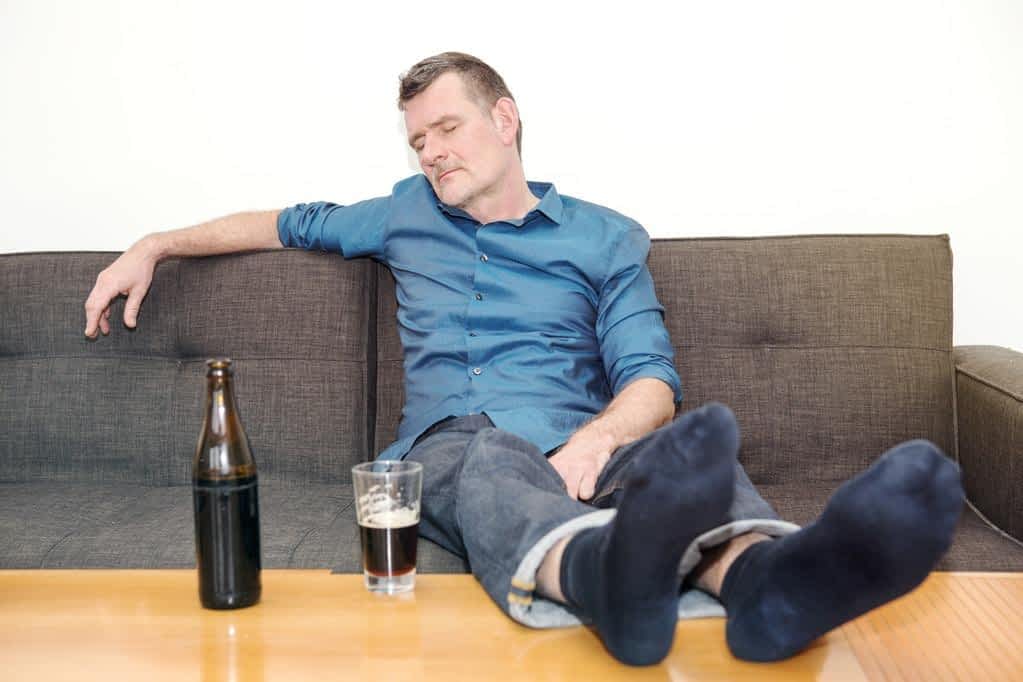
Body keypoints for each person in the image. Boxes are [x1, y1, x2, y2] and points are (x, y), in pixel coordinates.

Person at [84, 51, 964, 666]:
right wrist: (155, 243)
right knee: (490, 454)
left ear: (504, 119)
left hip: (582, 434)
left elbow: (649, 374)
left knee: (679, 446)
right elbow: (277, 223)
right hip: (451, 444)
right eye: (416, 141)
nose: (430, 153)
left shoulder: (603, 236)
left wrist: (591, 444)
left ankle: (772, 589)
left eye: (445, 128)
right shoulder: (398, 214)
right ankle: (599, 579)